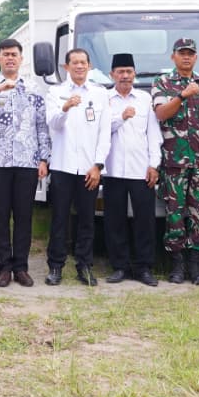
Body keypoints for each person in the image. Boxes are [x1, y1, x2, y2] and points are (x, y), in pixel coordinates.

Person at [0, 38, 50, 288]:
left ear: (21, 58)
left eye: (14, 54)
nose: (10, 58)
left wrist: (44, 158)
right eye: (5, 54)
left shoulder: (34, 88)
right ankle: (3, 267)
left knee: (24, 216)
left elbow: (41, 125)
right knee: (1, 215)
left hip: (27, 160)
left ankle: (21, 267)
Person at [152, 38, 199, 285]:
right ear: (173, 57)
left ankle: (196, 265)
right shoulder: (163, 83)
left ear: (196, 57)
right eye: (182, 53)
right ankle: (177, 264)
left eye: (191, 53)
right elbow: (160, 114)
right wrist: (181, 95)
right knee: (175, 214)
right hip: (173, 163)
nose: (186, 57)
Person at [44, 48, 111, 286]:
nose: (79, 66)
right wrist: (65, 108)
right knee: (60, 219)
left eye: (83, 63)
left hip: (88, 169)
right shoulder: (56, 92)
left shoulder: (100, 93)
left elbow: (104, 133)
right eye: (74, 63)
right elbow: (52, 123)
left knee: (86, 220)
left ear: (89, 66)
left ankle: (84, 266)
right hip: (62, 166)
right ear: (66, 67)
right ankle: (55, 266)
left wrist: (98, 165)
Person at [102, 53, 161, 286]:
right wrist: (120, 118)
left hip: (141, 169)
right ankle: (119, 266)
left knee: (144, 220)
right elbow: (99, 130)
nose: (125, 76)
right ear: (112, 75)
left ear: (134, 73)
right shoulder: (104, 99)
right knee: (114, 220)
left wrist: (154, 165)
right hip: (113, 169)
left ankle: (144, 267)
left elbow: (154, 134)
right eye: (120, 72)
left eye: (128, 71)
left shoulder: (145, 99)